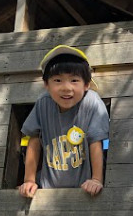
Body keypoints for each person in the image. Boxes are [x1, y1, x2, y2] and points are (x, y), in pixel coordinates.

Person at [18, 45, 109, 198]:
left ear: (86, 84)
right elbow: (34, 140)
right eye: (58, 80)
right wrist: (29, 180)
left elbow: (96, 141)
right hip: (46, 188)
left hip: (83, 188)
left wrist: (96, 179)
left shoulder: (92, 102)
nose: (66, 88)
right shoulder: (43, 103)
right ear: (46, 85)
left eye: (74, 80)